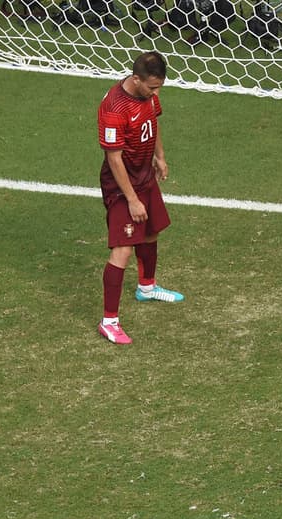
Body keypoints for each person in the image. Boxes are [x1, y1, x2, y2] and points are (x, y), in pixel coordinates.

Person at [96, 50, 183, 345]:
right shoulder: (113, 108)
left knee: (151, 231)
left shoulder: (148, 95)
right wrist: (132, 199)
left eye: (159, 87)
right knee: (123, 249)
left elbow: (153, 122)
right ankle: (109, 321)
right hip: (122, 185)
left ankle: (146, 287)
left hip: (145, 174)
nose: (156, 93)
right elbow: (114, 159)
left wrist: (160, 156)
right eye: (152, 87)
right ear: (136, 79)